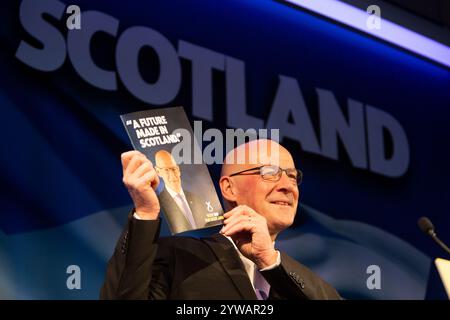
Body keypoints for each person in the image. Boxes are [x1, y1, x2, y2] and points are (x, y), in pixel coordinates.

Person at [100, 139, 341, 299]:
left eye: (292, 176)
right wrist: (145, 212)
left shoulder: (316, 287)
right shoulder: (178, 257)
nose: (288, 186)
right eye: (270, 173)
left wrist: (269, 262)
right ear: (229, 188)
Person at [154, 150, 211, 233]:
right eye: (166, 170)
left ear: (178, 170)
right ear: (158, 172)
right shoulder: (158, 205)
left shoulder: (196, 198)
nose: (172, 175)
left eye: (174, 169)